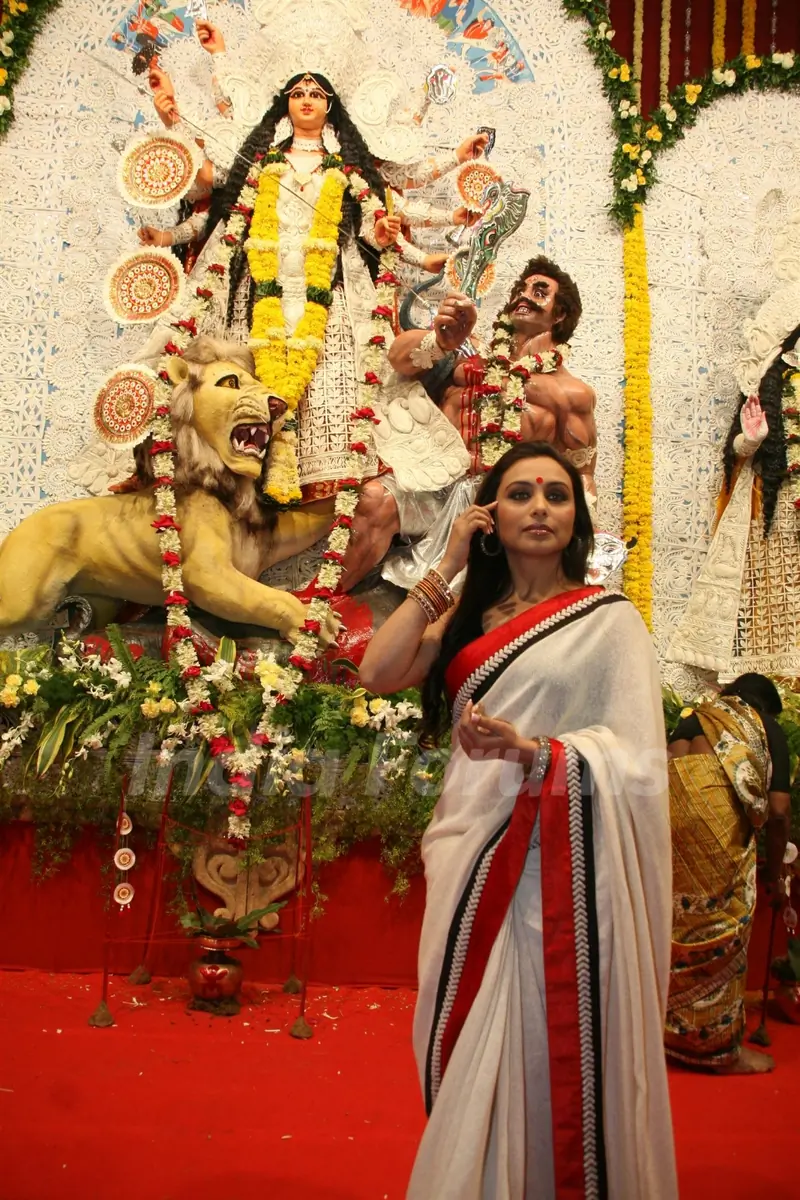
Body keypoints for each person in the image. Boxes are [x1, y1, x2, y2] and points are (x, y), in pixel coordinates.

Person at [359, 443, 677, 1199]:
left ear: (576, 517)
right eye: (521, 494)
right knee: (471, 1037)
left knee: (542, 1036)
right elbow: (376, 670)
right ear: (490, 515)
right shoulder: (469, 624)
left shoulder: (610, 622)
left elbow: (637, 763)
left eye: (557, 495)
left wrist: (539, 753)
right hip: (471, 853)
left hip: (557, 873)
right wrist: (448, 562)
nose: (540, 507)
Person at [388, 255, 598, 504]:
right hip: (431, 489)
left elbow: (582, 473)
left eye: (539, 293)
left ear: (560, 314)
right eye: (520, 290)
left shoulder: (572, 393)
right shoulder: (468, 349)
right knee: (375, 501)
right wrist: (441, 342)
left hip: (509, 505)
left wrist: (587, 534)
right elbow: (396, 358)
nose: (524, 296)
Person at [665, 673, 791, 1074]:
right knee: (724, 927)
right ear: (767, 707)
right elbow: (779, 811)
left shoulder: (689, 721)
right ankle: (717, 1050)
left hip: (667, 830)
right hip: (718, 836)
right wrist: (773, 873)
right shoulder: (763, 727)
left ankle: (671, 1035)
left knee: (678, 926)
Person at [667, 323, 800, 678]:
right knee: (777, 609)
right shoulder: (781, 378)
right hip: (780, 511)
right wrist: (753, 440)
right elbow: (738, 452)